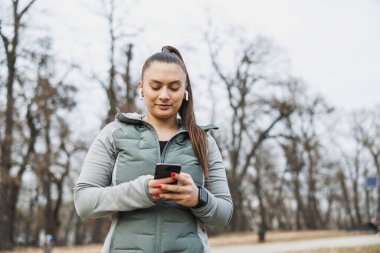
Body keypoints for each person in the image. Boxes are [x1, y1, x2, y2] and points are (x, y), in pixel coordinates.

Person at [73, 45, 233, 253]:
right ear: (142, 87)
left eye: (174, 87)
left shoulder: (204, 141)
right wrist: (142, 191)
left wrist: (198, 198)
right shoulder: (114, 134)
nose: (164, 95)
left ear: (185, 89)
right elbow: (83, 202)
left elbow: (225, 214)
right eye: (156, 86)